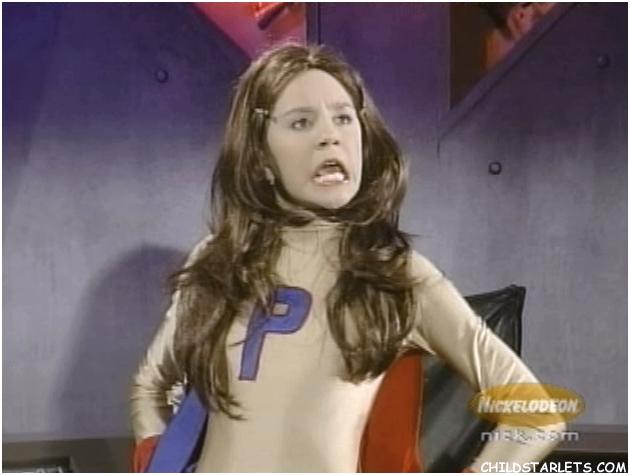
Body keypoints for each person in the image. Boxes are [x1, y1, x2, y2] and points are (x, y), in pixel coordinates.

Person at [130, 42, 565, 472]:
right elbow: (150, 386)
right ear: (260, 156)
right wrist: (159, 465)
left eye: (343, 117)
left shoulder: (399, 277)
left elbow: (536, 417)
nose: (330, 135)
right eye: (301, 122)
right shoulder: (216, 261)